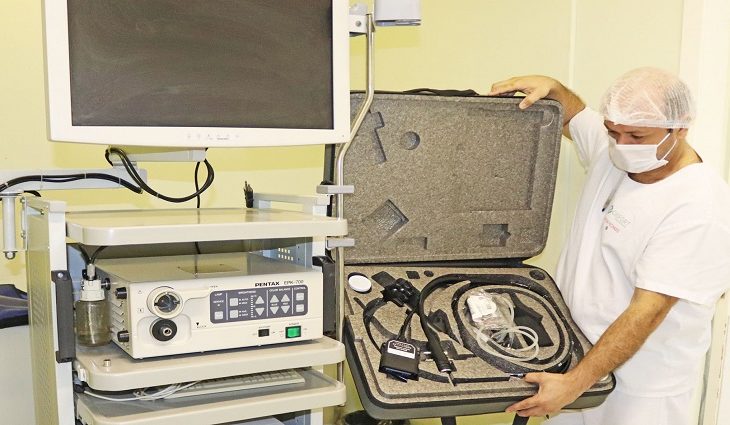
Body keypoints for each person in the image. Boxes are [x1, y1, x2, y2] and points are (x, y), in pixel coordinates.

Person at [488, 68, 730, 425]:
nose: (623, 145)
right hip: (576, 362)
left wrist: (575, 384)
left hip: (641, 390)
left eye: (637, 136)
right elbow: (574, 114)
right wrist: (553, 87)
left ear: (680, 127)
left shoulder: (699, 207)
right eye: (613, 131)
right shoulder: (614, 152)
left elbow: (646, 312)